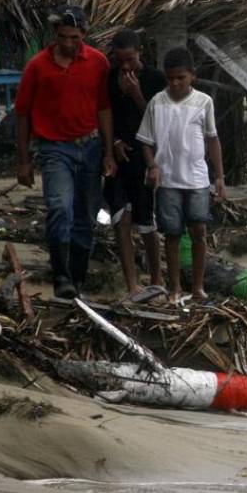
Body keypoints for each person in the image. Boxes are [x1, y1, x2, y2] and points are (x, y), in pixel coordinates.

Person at [14, 5, 117, 299]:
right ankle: (61, 276)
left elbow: (104, 108)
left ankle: (77, 280)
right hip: (54, 148)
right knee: (59, 207)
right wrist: (23, 161)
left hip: (91, 146)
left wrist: (108, 152)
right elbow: (23, 114)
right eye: (63, 37)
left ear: (84, 34)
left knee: (86, 215)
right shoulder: (37, 66)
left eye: (74, 37)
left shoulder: (97, 62)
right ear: (55, 35)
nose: (69, 44)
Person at [136, 47, 225, 304]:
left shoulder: (203, 102)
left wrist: (219, 177)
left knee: (198, 230)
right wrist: (152, 165)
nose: (175, 83)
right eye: (171, 78)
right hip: (167, 180)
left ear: (192, 76)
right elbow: (145, 141)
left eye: (181, 78)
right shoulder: (157, 102)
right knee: (172, 234)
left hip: (197, 178)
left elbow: (212, 139)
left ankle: (197, 288)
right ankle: (174, 288)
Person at [104, 28, 166, 296]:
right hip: (118, 156)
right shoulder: (109, 78)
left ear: (139, 52)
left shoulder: (155, 78)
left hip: (145, 157)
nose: (126, 66)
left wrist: (137, 93)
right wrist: (113, 142)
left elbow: (158, 121)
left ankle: (156, 278)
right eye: (120, 61)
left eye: (130, 59)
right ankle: (131, 283)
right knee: (121, 219)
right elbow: (106, 115)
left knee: (146, 221)